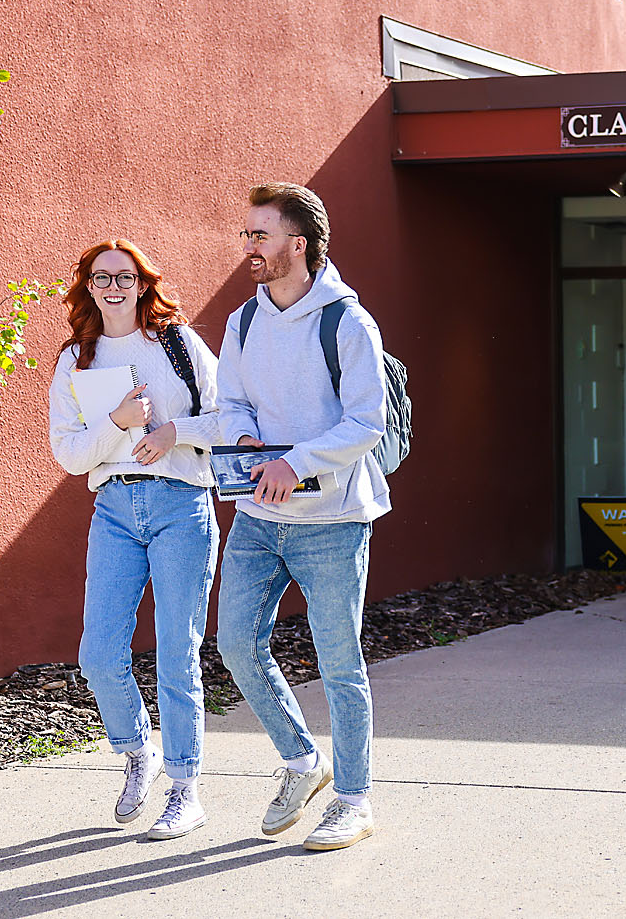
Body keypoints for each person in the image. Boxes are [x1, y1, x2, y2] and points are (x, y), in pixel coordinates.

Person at [215, 182, 390, 851]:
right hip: (258, 516)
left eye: (259, 235)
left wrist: (299, 461)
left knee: (340, 662)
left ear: (298, 243)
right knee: (235, 642)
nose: (248, 247)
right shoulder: (243, 321)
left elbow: (366, 422)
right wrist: (248, 436)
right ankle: (301, 760)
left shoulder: (346, 321)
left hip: (334, 518)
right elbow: (230, 399)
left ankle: (353, 798)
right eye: (247, 234)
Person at [48, 239, 223, 840]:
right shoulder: (76, 359)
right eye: (102, 278)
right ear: (88, 286)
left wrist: (171, 432)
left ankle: (184, 789)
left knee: (178, 652)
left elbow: (231, 420)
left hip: (180, 503)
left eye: (125, 276)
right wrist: (116, 424)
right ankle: (137, 750)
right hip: (116, 507)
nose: (113, 287)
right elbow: (70, 455)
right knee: (98, 653)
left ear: (144, 283)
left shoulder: (177, 343)